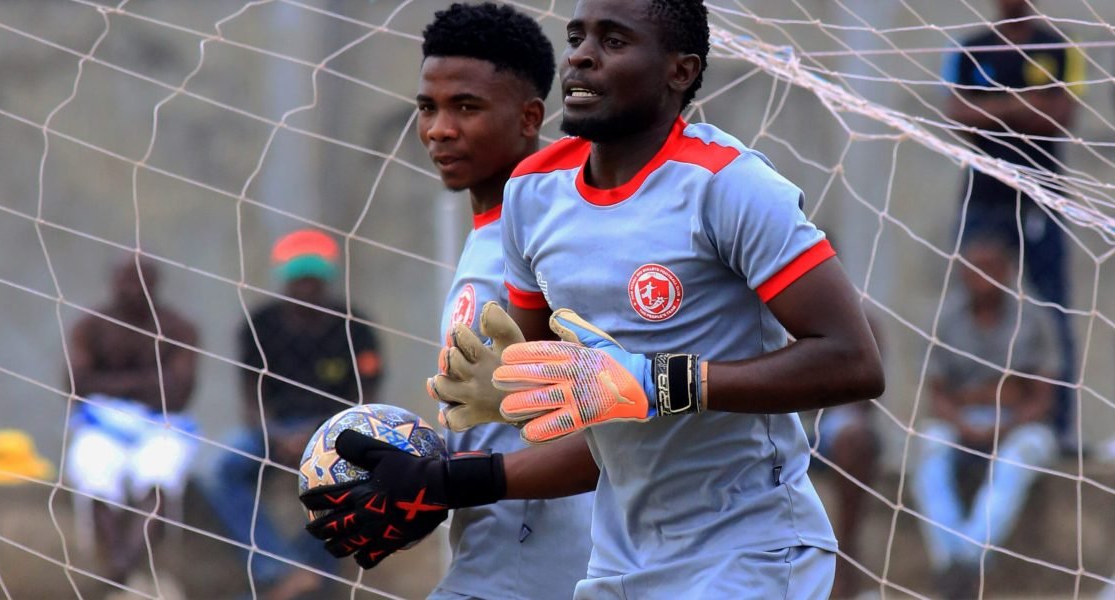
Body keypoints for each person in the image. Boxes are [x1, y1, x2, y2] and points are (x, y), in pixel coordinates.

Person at [304, 0, 884, 597]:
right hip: (616, 563)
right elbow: (582, 423)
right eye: (577, 36)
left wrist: (656, 381)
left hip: (748, 550)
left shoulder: (729, 184)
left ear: (679, 71)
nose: (580, 55)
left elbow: (853, 362)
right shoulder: (534, 196)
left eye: (613, 41)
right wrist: (473, 447)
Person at [310, 3, 593, 597]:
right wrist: (407, 478)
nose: (439, 128)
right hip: (491, 556)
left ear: (529, 116)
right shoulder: (488, 234)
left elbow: (609, 430)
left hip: (554, 566)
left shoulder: (558, 240)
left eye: (466, 106)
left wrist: (445, 480)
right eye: (427, 108)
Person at [205, 229, 382, 600]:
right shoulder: (260, 324)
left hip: (334, 431)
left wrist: (319, 434)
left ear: (326, 281)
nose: (306, 290)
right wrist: (272, 434)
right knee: (223, 470)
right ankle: (279, 569)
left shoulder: (354, 326)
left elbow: (365, 398)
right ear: (286, 282)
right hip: (273, 430)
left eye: (314, 282)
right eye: (299, 281)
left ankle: (310, 582)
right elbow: (250, 396)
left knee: (342, 483)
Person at [941, 0, 1083, 446]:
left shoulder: (1057, 46)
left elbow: (1061, 115)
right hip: (983, 199)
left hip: (1041, 198)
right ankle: (964, 422)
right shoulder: (970, 48)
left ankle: (1056, 430)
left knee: (1052, 307)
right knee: (971, 303)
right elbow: (955, 113)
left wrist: (992, 109)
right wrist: (1022, 104)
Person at [912, 233, 1058, 599]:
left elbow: (1041, 398)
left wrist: (1006, 420)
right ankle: (957, 566)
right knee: (928, 449)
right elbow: (937, 397)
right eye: (974, 267)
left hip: (1021, 424)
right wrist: (971, 414)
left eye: (991, 266)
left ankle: (964, 562)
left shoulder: (1033, 317)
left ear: (1008, 269)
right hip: (962, 422)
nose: (982, 275)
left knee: (1014, 463)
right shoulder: (946, 318)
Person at [64, 258, 200, 586]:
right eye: (125, 283)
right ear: (112, 284)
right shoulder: (91, 327)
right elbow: (76, 384)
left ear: (155, 287)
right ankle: (119, 565)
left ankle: (126, 564)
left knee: (159, 476)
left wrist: (110, 383)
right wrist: (147, 382)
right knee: (94, 472)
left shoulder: (178, 328)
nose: (133, 291)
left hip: (162, 425)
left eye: (141, 283)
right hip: (101, 424)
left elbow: (179, 393)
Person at [809, 308, 884, 599]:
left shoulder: (855, 317)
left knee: (855, 436)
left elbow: (865, 387)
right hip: (766, 416)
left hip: (827, 422)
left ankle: (846, 556)